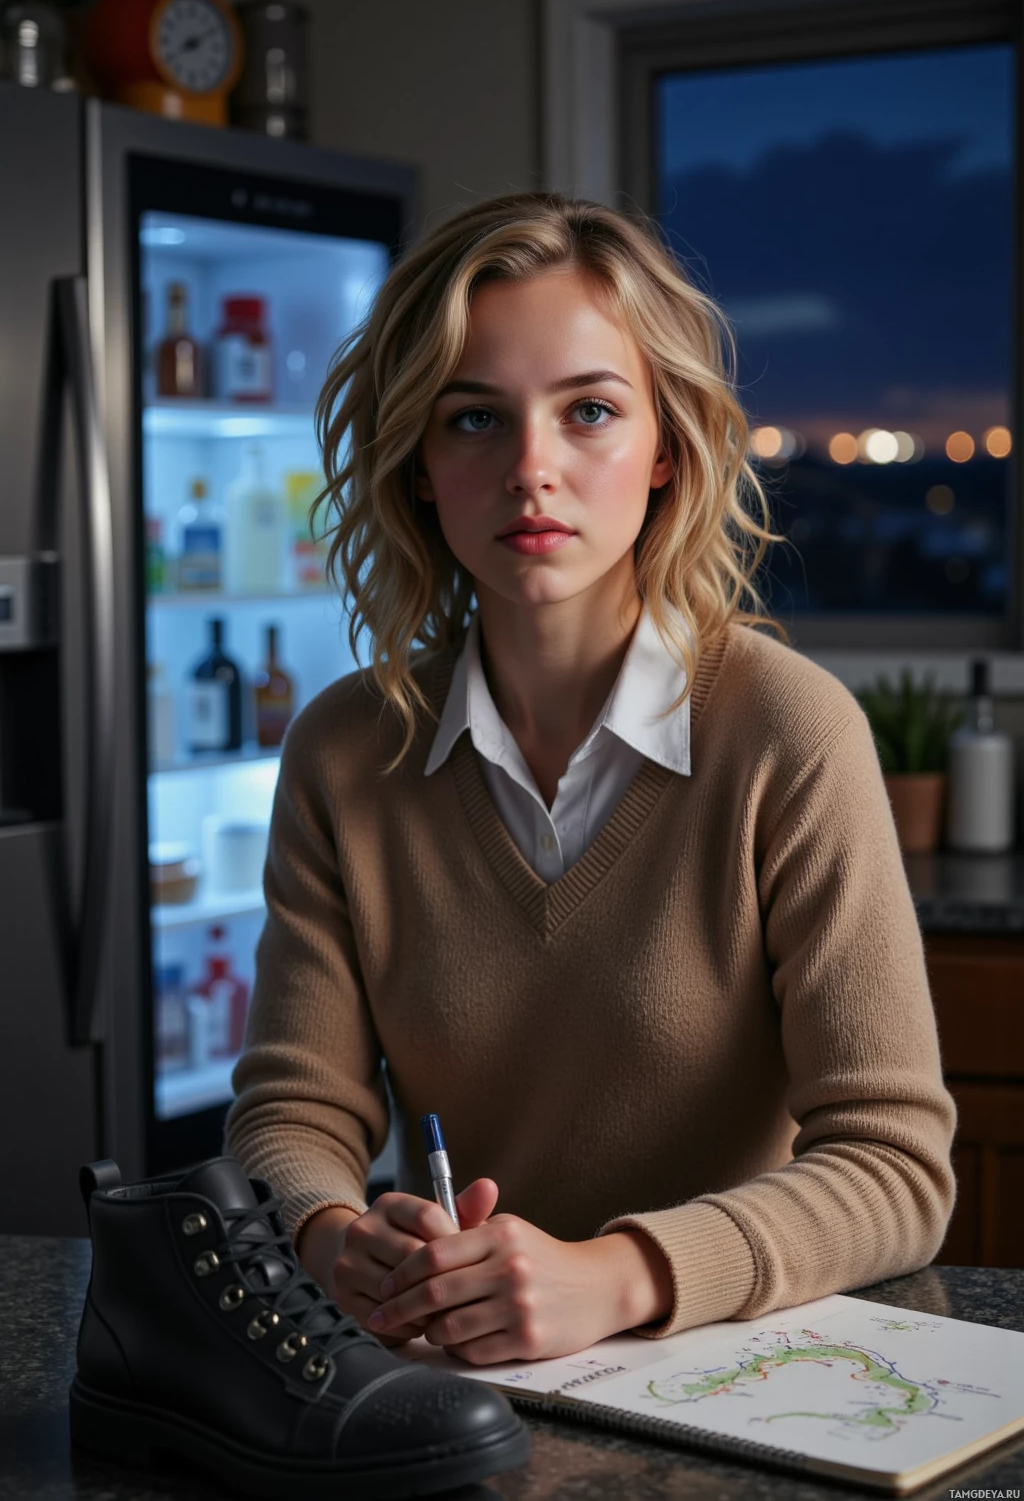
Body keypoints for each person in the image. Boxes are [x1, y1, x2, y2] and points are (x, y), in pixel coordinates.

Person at [225, 192, 955, 1367]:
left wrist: (616, 1277)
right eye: (473, 420)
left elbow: (895, 1168)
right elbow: (291, 1113)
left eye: (590, 413)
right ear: (417, 462)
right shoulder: (343, 749)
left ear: (666, 449)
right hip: (453, 1378)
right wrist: (332, 1235)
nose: (531, 469)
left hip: (735, 1382)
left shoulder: (789, 733)